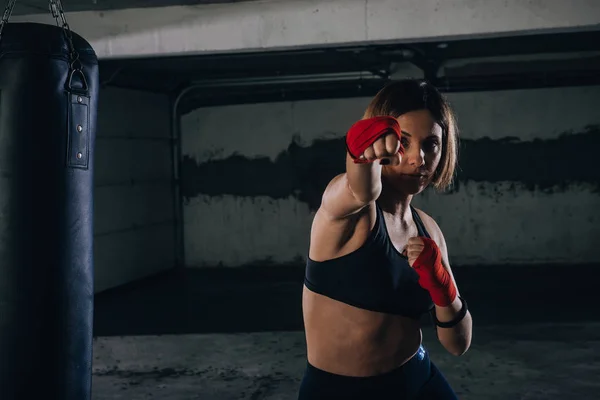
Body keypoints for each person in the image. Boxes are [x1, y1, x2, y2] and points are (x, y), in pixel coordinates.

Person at [299, 79, 473, 399]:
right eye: (403, 142)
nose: (419, 158)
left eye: (431, 144)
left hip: (417, 379)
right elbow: (359, 189)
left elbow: (458, 343)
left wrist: (442, 288)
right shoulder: (348, 213)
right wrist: (360, 156)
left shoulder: (427, 228)